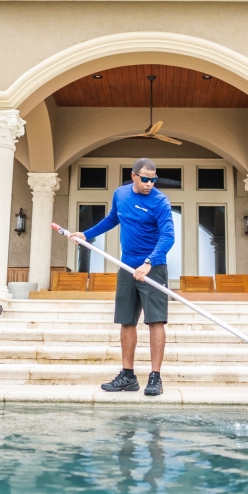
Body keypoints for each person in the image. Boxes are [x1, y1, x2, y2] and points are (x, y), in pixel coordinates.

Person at [70, 157, 174, 396]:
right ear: (134, 176)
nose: (150, 183)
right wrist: (87, 234)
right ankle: (128, 375)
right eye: (145, 179)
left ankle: (155, 377)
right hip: (126, 266)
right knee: (127, 320)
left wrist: (150, 262)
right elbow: (113, 219)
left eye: (153, 179)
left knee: (155, 321)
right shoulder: (121, 194)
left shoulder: (160, 201)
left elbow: (168, 236)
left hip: (153, 268)